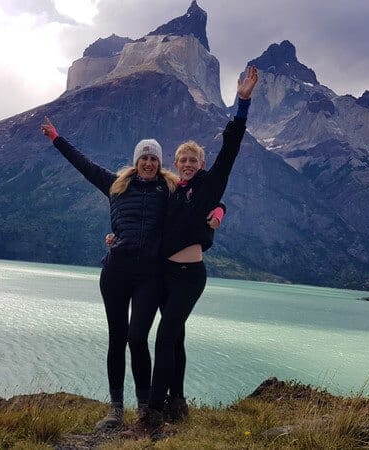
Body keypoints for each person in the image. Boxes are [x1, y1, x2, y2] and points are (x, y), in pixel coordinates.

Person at [134, 65, 259, 436]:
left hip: (190, 278)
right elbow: (143, 219)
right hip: (162, 276)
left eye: (194, 161)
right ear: (176, 165)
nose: (188, 165)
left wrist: (243, 103)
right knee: (177, 339)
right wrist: (117, 238)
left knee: (165, 336)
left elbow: (232, 146)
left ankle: (153, 413)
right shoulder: (168, 191)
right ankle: (178, 402)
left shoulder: (209, 187)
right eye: (182, 161)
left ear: (201, 164)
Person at [40, 119, 178, 431]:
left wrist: (218, 211)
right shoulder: (116, 184)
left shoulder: (169, 191)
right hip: (116, 272)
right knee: (117, 339)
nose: (148, 162)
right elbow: (83, 165)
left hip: (150, 276)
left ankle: (145, 408)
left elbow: (202, 193)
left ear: (159, 163)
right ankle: (116, 409)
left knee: (137, 338)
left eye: (153, 158)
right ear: (136, 161)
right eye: (143, 157)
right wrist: (56, 138)